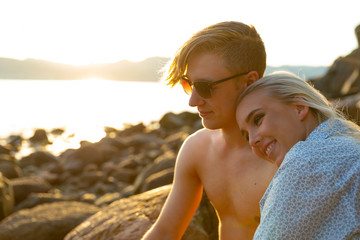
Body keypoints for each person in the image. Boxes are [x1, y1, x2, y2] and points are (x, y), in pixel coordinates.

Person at [141, 21, 278, 240]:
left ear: (249, 81)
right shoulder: (198, 149)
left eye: (205, 87)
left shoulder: (285, 156)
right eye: (189, 85)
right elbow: (165, 232)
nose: (193, 101)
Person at [236, 71, 360, 239]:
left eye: (258, 119)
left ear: (299, 108)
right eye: (246, 135)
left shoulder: (307, 161)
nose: (252, 141)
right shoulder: (345, 142)